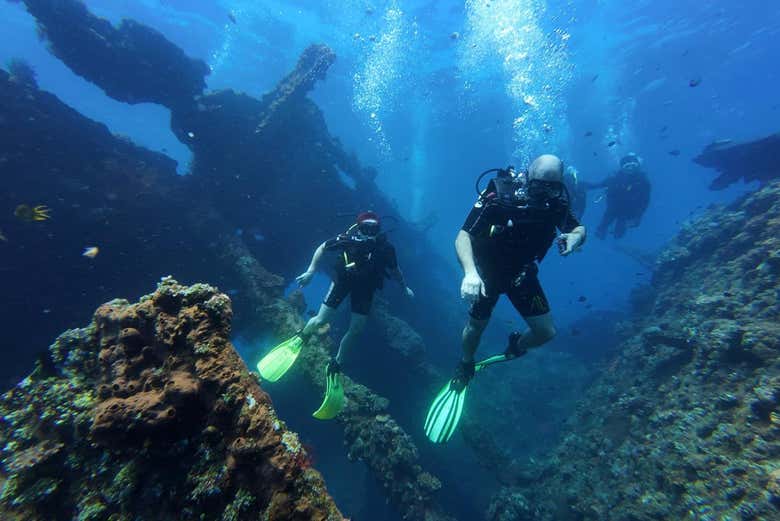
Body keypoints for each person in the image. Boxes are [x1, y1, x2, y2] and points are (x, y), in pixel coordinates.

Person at [424, 155, 586, 443]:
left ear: (559, 185)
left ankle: (516, 344)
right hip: (487, 273)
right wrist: (470, 274)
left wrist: (574, 238)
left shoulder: (557, 203)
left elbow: (577, 227)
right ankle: (465, 365)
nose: (545, 193)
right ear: (527, 177)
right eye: (539, 185)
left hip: (522, 274)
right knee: (476, 327)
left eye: (552, 187)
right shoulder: (499, 196)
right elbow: (463, 236)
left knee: (546, 332)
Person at [257, 211, 414, 419]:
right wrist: (311, 271)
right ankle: (302, 336)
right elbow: (322, 247)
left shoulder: (386, 248)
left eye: (373, 229)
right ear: (358, 228)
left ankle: (336, 363)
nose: (368, 233)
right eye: (365, 228)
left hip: (365, 289)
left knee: (356, 329)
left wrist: (404, 287)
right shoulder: (347, 239)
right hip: (343, 282)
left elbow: (396, 270)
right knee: (321, 319)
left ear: (379, 230)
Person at [585, 153, 651, 239]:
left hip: (629, 211)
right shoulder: (614, 178)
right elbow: (598, 185)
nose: (630, 168)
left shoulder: (643, 181)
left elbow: (645, 201)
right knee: (601, 229)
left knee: (618, 235)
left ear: (638, 166)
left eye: (633, 165)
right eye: (627, 166)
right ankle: (602, 236)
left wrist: (638, 217)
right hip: (612, 209)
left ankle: (613, 241)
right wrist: (583, 185)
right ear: (622, 168)